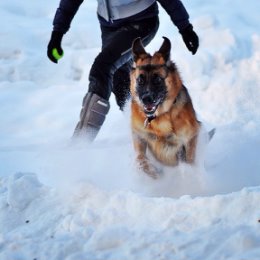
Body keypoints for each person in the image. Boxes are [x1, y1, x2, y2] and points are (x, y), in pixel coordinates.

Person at [47, 0, 199, 141]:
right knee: (119, 80)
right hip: (109, 26)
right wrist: (57, 33)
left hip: (141, 21)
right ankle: (150, 132)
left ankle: (81, 141)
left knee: (102, 68)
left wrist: (185, 28)